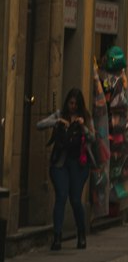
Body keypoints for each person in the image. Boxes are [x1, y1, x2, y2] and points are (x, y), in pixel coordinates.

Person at [48, 88, 95, 251]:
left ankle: (81, 233)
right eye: (70, 103)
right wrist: (58, 121)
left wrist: (83, 127)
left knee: (75, 199)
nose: (72, 106)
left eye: (75, 104)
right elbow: (40, 124)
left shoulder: (86, 117)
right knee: (61, 196)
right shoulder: (60, 114)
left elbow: (92, 137)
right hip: (61, 163)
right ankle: (57, 236)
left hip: (79, 164)